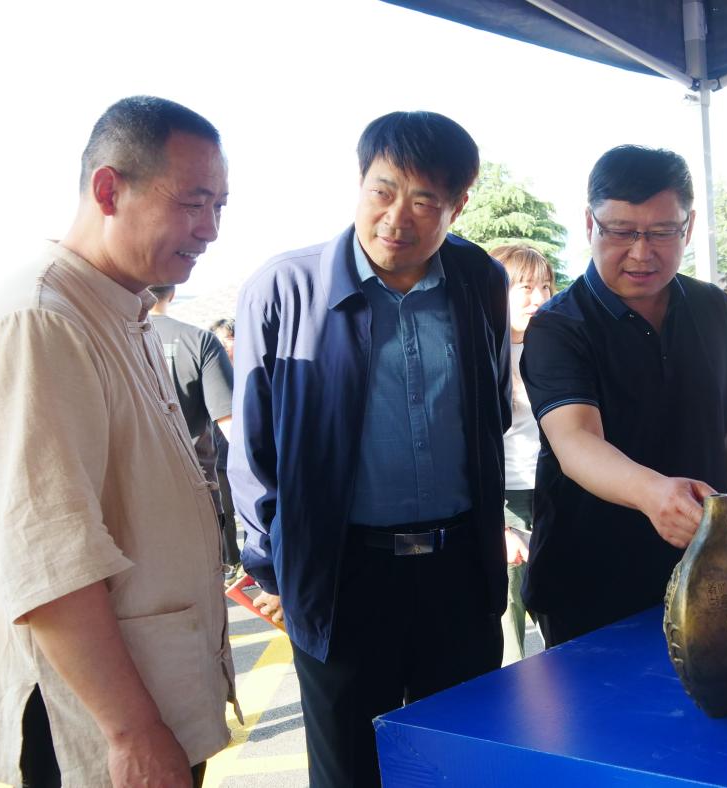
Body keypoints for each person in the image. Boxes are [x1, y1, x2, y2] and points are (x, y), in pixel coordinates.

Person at [0, 96, 234, 787]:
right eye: (194, 203)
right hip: (92, 730)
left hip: (148, 698)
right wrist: (132, 731)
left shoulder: (115, 309)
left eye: (221, 207)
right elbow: (47, 561)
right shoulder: (39, 321)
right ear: (109, 189)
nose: (211, 229)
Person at [230, 110, 510, 788]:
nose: (396, 217)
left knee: (463, 765)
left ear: (457, 204)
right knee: (350, 772)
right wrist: (273, 573)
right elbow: (253, 446)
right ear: (359, 182)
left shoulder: (479, 281)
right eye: (382, 190)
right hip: (343, 579)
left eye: (424, 200)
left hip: (457, 576)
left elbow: (492, 409)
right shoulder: (285, 286)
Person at [519, 145, 727, 648]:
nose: (642, 252)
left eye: (663, 232)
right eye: (621, 231)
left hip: (710, 569)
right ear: (590, 224)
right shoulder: (558, 326)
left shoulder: (713, 307)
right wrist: (654, 494)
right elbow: (575, 442)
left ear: (689, 225)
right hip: (590, 579)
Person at [488, 244, 553, 664]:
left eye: (546, 287)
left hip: (551, 492)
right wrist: (495, 524)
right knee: (506, 629)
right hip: (504, 500)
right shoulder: (479, 351)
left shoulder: (555, 347)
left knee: (560, 615)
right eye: (526, 287)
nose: (539, 298)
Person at [146, 285, 235, 574]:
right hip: (197, 486)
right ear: (172, 293)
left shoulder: (108, 340)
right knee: (203, 586)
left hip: (135, 492)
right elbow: (232, 428)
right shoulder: (199, 340)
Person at [207, 318, 241, 574]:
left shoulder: (251, 368)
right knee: (225, 512)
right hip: (219, 454)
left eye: (229, 339)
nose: (225, 345)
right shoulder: (208, 369)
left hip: (245, 453)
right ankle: (233, 561)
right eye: (221, 340)